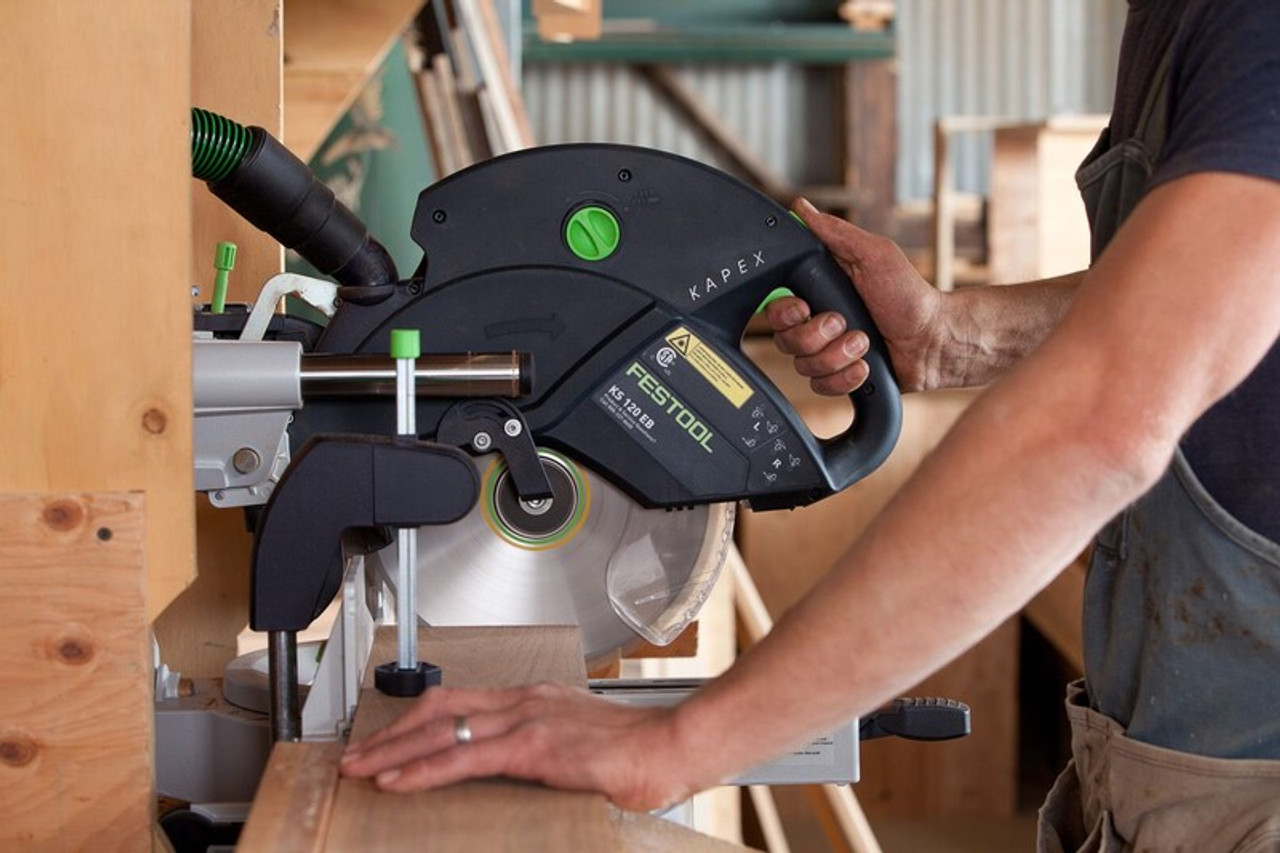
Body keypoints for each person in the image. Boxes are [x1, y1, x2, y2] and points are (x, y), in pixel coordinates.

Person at [341, 1, 1280, 847]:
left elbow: (1104, 415)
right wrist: (953, 337)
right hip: (1158, 755)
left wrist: (681, 740)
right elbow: (1208, 301)